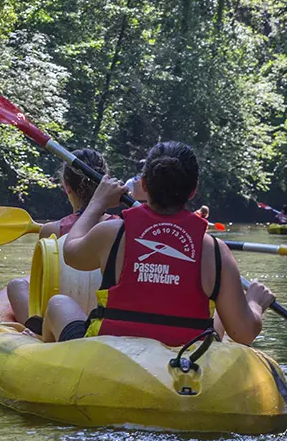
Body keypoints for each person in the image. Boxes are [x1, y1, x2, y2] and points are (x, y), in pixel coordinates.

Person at [42, 141, 274, 346]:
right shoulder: (215, 251)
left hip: (111, 354)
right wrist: (254, 303)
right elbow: (244, 333)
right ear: (193, 191)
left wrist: (97, 203)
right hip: (182, 363)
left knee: (58, 303)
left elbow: (70, 252)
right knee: (223, 309)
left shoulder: (112, 232)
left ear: (143, 184)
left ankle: (48, 360)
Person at [6, 149, 114, 329]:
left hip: (59, 312)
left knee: (16, 285)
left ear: (66, 187)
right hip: (104, 313)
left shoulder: (51, 231)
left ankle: (38, 331)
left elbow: (41, 284)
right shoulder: (119, 227)